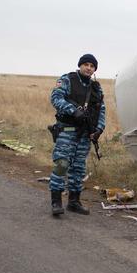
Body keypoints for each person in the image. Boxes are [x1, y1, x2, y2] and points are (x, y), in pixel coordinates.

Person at [48, 54, 106, 216]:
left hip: (85, 134)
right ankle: (56, 202)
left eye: (92, 66)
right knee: (62, 165)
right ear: (80, 65)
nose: (89, 68)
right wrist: (73, 111)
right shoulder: (67, 80)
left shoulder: (96, 87)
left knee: (78, 169)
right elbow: (56, 98)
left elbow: (101, 110)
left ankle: (74, 202)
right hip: (67, 130)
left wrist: (99, 129)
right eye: (86, 64)